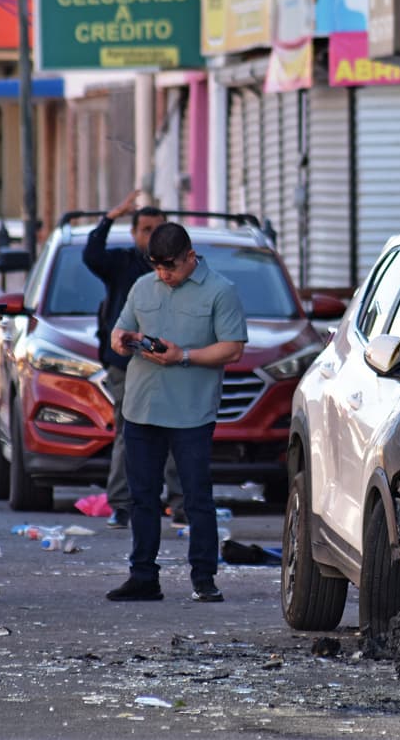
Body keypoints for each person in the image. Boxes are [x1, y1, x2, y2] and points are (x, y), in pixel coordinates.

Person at [105, 222, 246, 604]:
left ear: (190, 256)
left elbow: (233, 348)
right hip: (141, 406)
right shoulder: (142, 287)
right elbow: (121, 331)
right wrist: (122, 340)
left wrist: (182, 355)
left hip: (191, 412)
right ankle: (143, 575)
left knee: (196, 498)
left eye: (171, 266)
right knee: (142, 497)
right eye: (157, 267)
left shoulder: (220, 291)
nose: (164, 274)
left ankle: (204, 577)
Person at [83, 192, 182, 529]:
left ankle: (180, 503)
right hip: (127, 366)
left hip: (170, 364)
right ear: (135, 233)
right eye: (145, 229)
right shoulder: (122, 263)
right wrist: (111, 216)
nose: (152, 236)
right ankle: (122, 504)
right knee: (130, 433)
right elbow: (91, 255)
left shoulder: (181, 269)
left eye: (159, 229)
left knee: (177, 431)